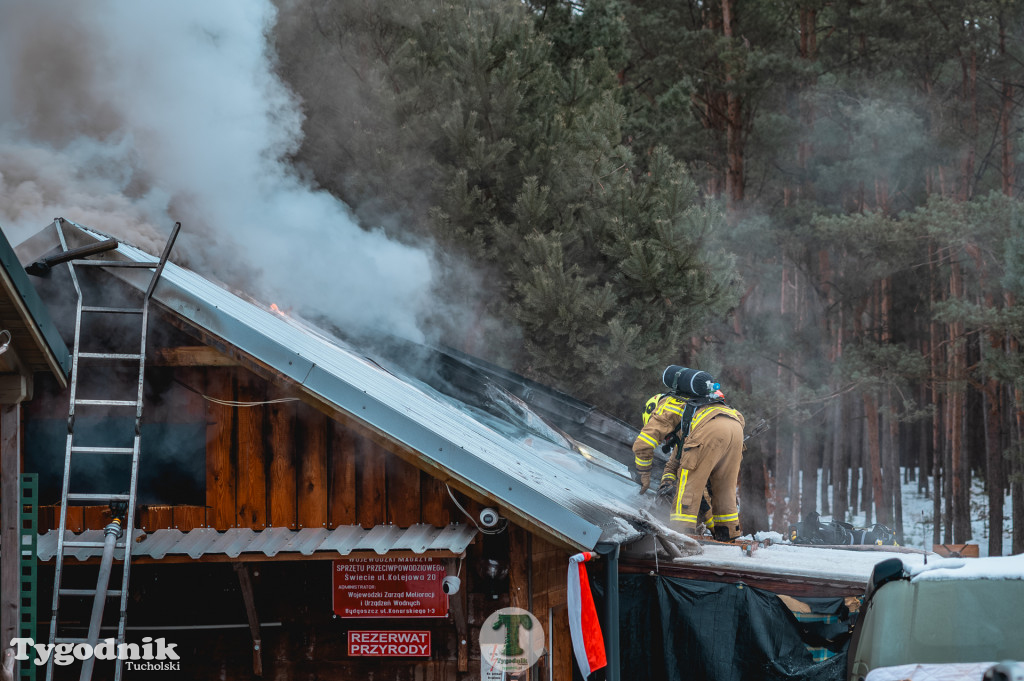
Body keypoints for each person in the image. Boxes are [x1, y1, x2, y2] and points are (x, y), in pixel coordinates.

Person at [633, 366, 745, 541]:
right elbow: (674, 463)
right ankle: (727, 534)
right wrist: (666, 482)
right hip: (735, 427)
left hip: (709, 428)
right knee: (724, 487)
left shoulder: (667, 405)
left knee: (688, 485)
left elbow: (643, 444)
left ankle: (681, 535)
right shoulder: (694, 407)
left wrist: (643, 474)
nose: (665, 439)